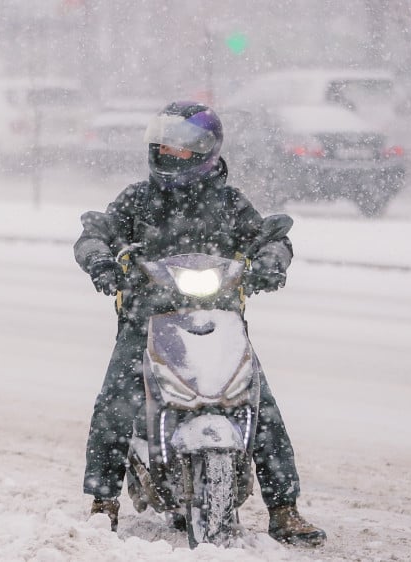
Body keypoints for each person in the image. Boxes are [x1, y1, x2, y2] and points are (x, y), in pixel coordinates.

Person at [73, 101, 327, 547]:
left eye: (182, 147)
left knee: (260, 404)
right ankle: (102, 503)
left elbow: (272, 237)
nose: (170, 153)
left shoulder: (229, 203)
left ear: (207, 150)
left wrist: (270, 262)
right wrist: (100, 260)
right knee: (115, 402)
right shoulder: (138, 199)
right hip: (146, 320)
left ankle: (285, 509)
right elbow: (96, 231)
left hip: (220, 317)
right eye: (164, 145)